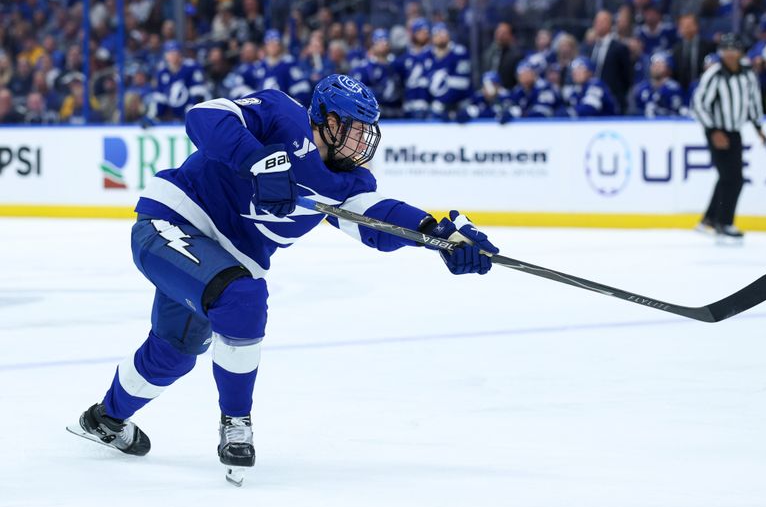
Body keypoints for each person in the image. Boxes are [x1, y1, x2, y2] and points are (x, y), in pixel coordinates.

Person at [68, 74, 499, 486]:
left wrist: (439, 233)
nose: (363, 141)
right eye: (355, 129)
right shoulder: (279, 113)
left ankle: (104, 418)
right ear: (328, 121)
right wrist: (257, 160)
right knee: (243, 298)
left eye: (369, 131)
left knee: (174, 352)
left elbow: (377, 217)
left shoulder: (349, 182)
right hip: (173, 222)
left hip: (221, 260)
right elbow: (203, 116)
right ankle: (236, 422)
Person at [692, 34, 766, 241]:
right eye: (726, 49)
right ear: (721, 52)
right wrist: (714, 130)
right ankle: (724, 223)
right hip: (717, 131)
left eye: (734, 49)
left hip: (735, 131)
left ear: (740, 52)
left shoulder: (748, 74)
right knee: (733, 178)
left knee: (727, 177)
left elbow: (753, 102)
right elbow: (698, 105)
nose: (730, 54)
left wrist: (759, 127)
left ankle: (709, 219)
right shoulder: (714, 75)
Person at [149, 40, 211, 121]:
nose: (172, 56)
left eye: (175, 52)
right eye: (169, 53)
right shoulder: (162, 72)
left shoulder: (191, 67)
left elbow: (199, 94)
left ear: (180, 54)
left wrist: (190, 112)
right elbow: (159, 97)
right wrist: (154, 116)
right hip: (173, 115)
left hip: (195, 114)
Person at [349, 28, 404, 118]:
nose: (383, 44)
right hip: (376, 112)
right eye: (379, 41)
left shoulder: (397, 65)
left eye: (385, 40)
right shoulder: (365, 67)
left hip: (397, 110)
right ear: (373, 45)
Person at [427, 23, 471, 121]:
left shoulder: (459, 53)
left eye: (443, 34)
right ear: (433, 38)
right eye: (438, 34)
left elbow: (462, 83)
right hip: (436, 107)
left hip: (459, 105)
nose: (441, 37)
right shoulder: (427, 55)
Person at [632, 52, 684, 117]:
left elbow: (677, 111)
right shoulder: (641, 89)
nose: (656, 68)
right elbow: (635, 111)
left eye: (660, 65)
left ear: (668, 68)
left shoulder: (674, 89)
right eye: (654, 65)